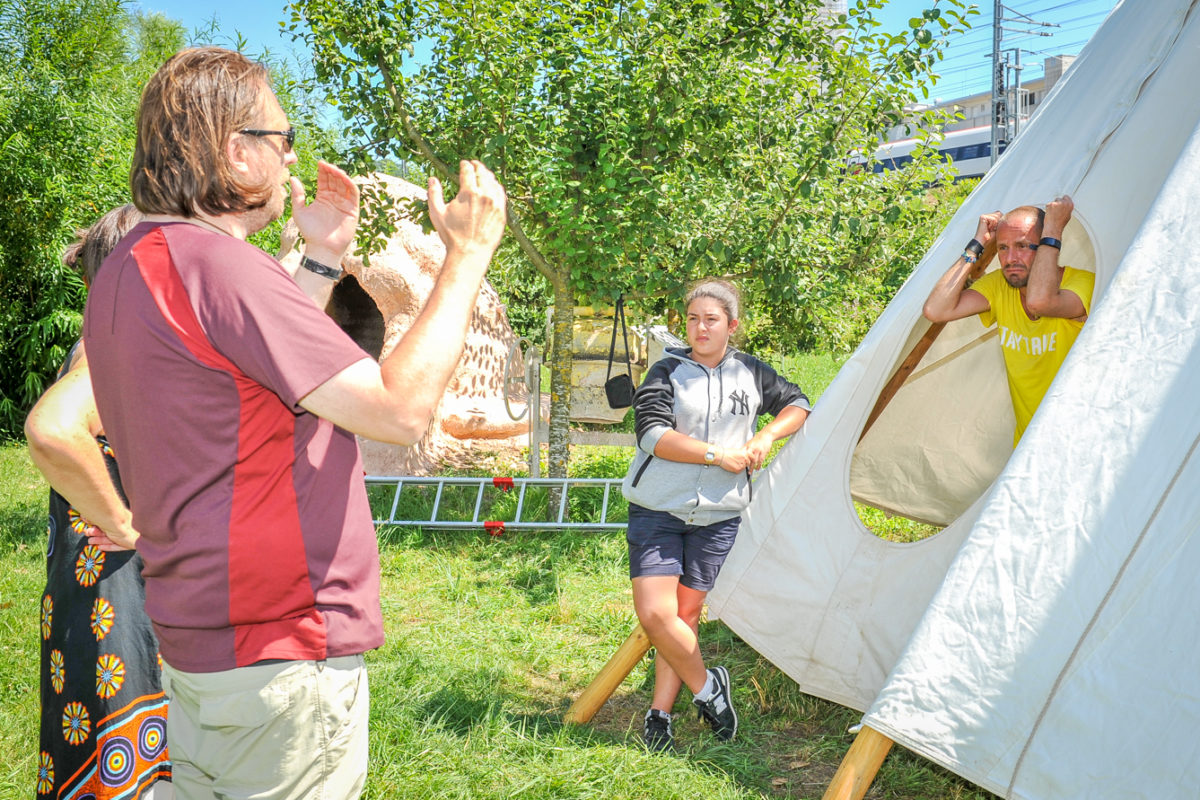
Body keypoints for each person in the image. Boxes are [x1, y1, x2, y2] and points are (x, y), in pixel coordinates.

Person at [81, 47, 507, 799]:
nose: (291, 159)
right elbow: (399, 413)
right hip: (282, 651)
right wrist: (466, 257)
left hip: (200, 642)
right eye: (279, 141)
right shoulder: (222, 265)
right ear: (235, 150)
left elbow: (242, 369)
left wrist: (318, 258)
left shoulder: (133, 268)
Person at [621, 279, 810, 752]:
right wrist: (714, 455)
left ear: (732, 324)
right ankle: (708, 689)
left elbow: (799, 403)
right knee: (655, 614)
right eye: (692, 318)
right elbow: (651, 435)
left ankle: (659, 714)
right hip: (658, 510)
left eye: (711, 319)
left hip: (720, 515)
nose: (700, 327)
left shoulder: (750, 372)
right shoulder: (667, 371)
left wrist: (765, 437)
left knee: (685, 614)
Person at [26, 205, 176, 799]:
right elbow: (53, 429)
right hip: (118, 592)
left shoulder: (107, 340)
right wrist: (127, 524)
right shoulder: (107, 349)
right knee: (129, 759)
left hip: (89, 588)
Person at [922, 195, 1095, 445]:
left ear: (1048, 242)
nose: (1011, 258)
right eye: (1003, 247)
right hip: (1028, 446)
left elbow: (1041, 302)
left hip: (1079, 442)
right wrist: (977, 243)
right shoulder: (1000, 286)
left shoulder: (1082, 284)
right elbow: (935, 310)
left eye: (1023, 246)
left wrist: (1054, 228)